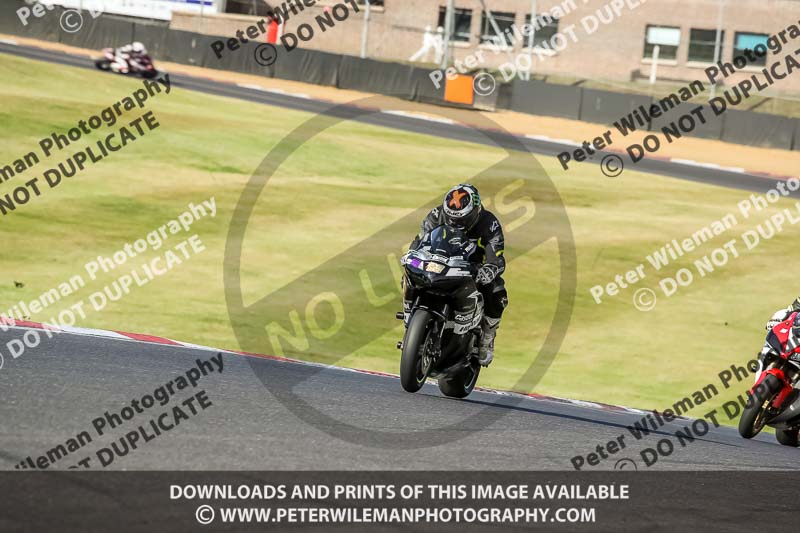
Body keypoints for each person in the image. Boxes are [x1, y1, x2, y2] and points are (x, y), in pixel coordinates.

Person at [404, 184, 508, 366]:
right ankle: (409, 315)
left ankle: (487, 338)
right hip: (440, 263)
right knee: (409, 274)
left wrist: (489, 269)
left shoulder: (489, 223)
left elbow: (496, 256)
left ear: (475, 211)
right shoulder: (436, 215)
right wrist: (412, 254)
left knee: (497, 292)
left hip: (472, 267)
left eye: (462, 219)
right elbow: (420, 241)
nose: (455, 223)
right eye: (451, 218)